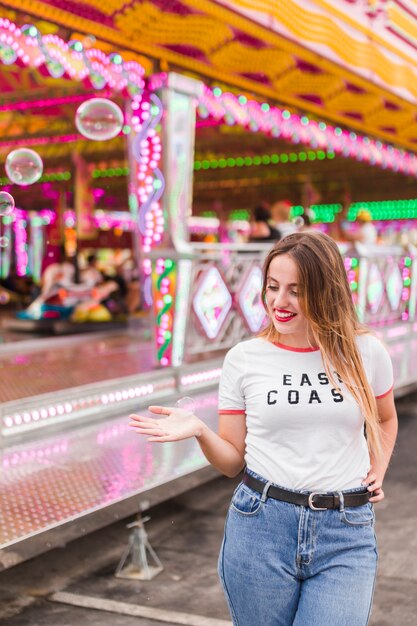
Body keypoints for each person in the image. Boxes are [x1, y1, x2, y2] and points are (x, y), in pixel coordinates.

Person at [129, 232, 398, 626]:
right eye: (272, 287)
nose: (278, 302)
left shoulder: (365, 352)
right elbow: (232, 462)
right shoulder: (244, 359)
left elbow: (386, 417)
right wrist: (201, 431)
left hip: (346, 531)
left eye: (296, 290)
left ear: (327, 291)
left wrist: (378, 468)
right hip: (261, 527)